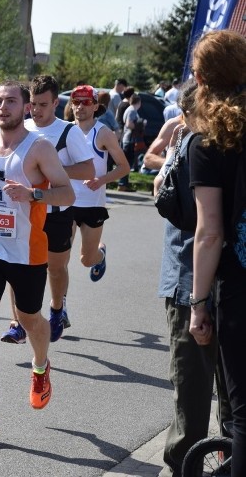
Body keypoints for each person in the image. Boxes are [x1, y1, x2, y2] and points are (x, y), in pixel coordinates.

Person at [0, 80, 74, 428]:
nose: (3, 107)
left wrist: (34, 196)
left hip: (26, 251)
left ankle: (40, 366)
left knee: (29, 319)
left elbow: (66, 194)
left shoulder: (38, 148)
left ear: (25, 107)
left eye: (10, 101)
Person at [153, 80, 231, 477]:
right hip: (213, 283)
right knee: (222, 394)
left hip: (192, 285)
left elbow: (165, 199)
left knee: (193, 394)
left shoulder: (195, 146)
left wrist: (169, 157)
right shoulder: (217, 145)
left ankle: (186, 468)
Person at [188, 29, 246, 477]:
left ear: (203, 79)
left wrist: (198, 303)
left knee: (243, 409)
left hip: (239, 284)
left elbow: (209, 233)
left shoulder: (210, 141)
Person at [0, 75, 94, 345]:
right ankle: (17, 322)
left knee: (55, 268)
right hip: (25, 211)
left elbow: (88, 169)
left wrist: (51, 170)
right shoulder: (23, 128)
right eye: (33, 104)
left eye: (43, 104)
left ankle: (56, 308)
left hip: (57, 211)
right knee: (17, 266)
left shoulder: (68, 131)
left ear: (55, 103)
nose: (36, 110)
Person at [67, 86, 130, 281]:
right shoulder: (65, 130)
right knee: (59, 260)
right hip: (65, 202)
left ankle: (100, 254)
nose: (80, 107)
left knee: (86, 259)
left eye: (85, 102)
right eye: (76, 102)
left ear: (95, 106)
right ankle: (59, 305)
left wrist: (101, 180)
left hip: (92, 203)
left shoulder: (103, 133)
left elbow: (124, 167)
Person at [117, 88, 141, 191]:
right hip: (129, 139)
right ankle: (122, 184)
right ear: (138, 102)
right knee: (127, 163)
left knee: (127, 163)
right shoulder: (132, 110)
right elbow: (129, 123)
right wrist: (140, 124)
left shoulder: (129, 109)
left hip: (127, 139)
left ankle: (123, 183)